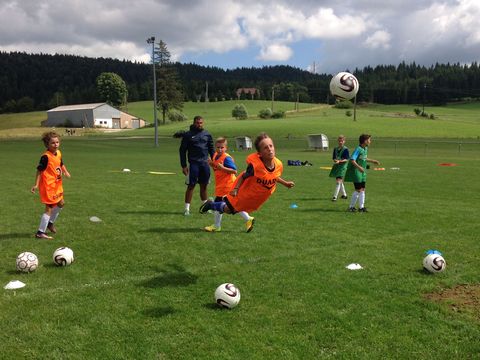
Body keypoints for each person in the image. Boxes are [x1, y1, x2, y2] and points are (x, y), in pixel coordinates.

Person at [199, 133, 295, 231]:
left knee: (232, 209)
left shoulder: (278, 164)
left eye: (271, 146)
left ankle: (215, 211)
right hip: (244, 194)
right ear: (260, 153)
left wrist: (285, 183)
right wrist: (236, 189)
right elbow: (243, 175)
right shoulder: (255, 166)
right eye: (265, 148)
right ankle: (212, 206)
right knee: (230, 209)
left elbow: (274, 176)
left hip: (255, 198)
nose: (270, 149)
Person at [204, 137, 254, 233]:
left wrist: (222, 168)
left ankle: (217, 226)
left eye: (222, 148)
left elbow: (234, 170)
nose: (220, 149)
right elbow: (217, 168)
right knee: (228, 205)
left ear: (226, 148)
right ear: (215, 147)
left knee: (224, 205)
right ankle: (248, 219)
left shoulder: (227, 158)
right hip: (221, 186)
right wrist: (211, 164)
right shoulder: (215, 155)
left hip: (228, 186)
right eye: (218, 147)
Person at [31, 131, 71, 239]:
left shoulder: (58, 153)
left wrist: (65, 171)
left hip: (57, 185)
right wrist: (36, 185)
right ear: (47, 144)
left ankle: (50, 223)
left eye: (57, 142)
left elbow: (61, 163)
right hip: (48, 187)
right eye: (53, 143)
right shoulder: (45, 157)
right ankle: (40, 232)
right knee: (49, 208)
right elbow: (39, 171)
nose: (56, 144)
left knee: (61, 203)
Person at [179, 115, 214, 216]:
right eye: (197, 123)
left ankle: (205, 208)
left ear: (203, 123)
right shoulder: (188, 135)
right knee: (191, 186)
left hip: (205, 164)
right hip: (193, 164)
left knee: (204, 186)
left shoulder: (207, 134)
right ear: (194, 123)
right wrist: (184, 165)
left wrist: (215, 161)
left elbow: (211, 149)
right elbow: (182, 151)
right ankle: (186, 209)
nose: (199, 125)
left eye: (201, 123)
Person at [344, 134, 380, 212]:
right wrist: (359, 167)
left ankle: (361, 207)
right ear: (365, 141)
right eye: (369, 140)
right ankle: (351, 207)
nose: (370, 141)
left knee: (362, 189)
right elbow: (352, 160)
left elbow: (364, 158)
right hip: (356, 171)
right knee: (358, 189)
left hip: (362, 172)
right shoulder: (358, 149)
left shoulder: (365, 148)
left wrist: (373, 161)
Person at [329, 135, 349, 201]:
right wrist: (335, 160)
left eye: (342, 141)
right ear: (338, 141)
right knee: (339, 181)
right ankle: (344, 195)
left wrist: (339, 161)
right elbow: (334, 158)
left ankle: (335, 197)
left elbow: (346, 159)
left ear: (344, 141)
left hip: (342, 166)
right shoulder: (335, 149)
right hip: (337, 166)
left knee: (338, 181)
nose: (341, 142)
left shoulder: (345, 149)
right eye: (340, 141)